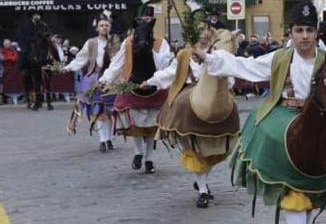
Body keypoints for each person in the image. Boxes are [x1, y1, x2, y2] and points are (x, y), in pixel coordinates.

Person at [211, 1, 326, 224]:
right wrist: (211, 60)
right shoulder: (280, 58)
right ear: (291, 32)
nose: (304, 36)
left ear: (317, 33)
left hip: (320, 119)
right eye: (299, 30)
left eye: (309, 31)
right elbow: (246, 67)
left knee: (322, 170)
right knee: (291, 172)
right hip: (287, 114)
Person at [142, 26, 241, 207]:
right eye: (201, 30)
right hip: (189, 95)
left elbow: (230, 75)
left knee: (231, 108)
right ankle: (203, 190)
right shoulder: (185, 55)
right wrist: (150, 82)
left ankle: (203, 177)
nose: (204, 34)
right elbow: (170, 73)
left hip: (217, 95)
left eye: (207, 31)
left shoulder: (218, 54)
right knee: (183, 110)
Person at [108, 12, 174, 172]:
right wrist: (106, 79)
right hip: (133, 85)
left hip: (155, 85)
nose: (144, 20)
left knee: (152, 125)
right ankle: (138, 152)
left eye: (147, 18)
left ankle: (149, 159)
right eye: (142, 18)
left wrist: (152, 53)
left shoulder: (161, 43)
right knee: (135, 122)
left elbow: (165, 62)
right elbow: (117, 63)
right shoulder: (128, 42)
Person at [64, 16, 118, 151]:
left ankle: (109, 138)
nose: (104, 27)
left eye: (106, 25)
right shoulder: (91, 43)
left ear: (110, 27)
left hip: (112, 79)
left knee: (110, 110)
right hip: (94, 78)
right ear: (97, 28)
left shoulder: (115, 42)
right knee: (97, 108)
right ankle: (103, 140)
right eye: (101, 25)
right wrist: (68, 67)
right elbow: (81, 58)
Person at [17, 13, 54, 111]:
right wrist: (32, 40)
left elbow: (48, 33)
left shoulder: (44, 24)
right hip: (31, 45)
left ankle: (57, 65)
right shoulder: (28, 25)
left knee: (53, 48)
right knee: (24, 52)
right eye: (35, 15)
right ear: (32, 16)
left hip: (43, 45)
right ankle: (24, 68)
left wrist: (46, 36)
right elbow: (24, 37)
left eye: (38, 15)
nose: (37, 16)